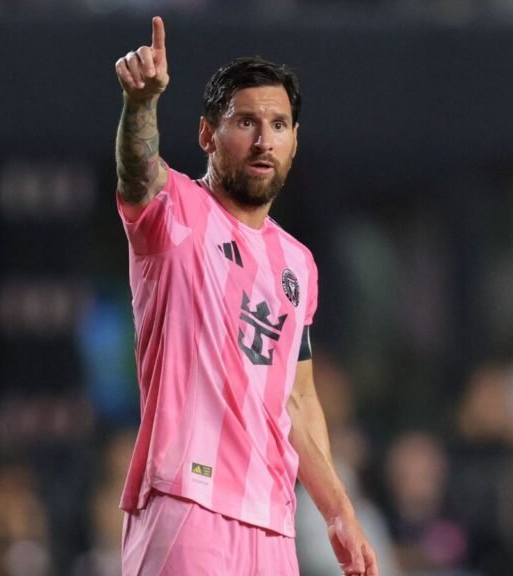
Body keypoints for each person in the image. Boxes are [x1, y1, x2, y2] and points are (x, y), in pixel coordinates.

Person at [112, 16, 379, 576]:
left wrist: (338, 511)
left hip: (273, 522)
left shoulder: (297, 265)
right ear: (207, 135)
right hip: (187, 503)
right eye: (245, 122)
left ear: (295, 141)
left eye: (278, 124)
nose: (264, 140)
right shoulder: (176, 214)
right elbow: (138, 172)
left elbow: (297, 400)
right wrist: (141, 104)